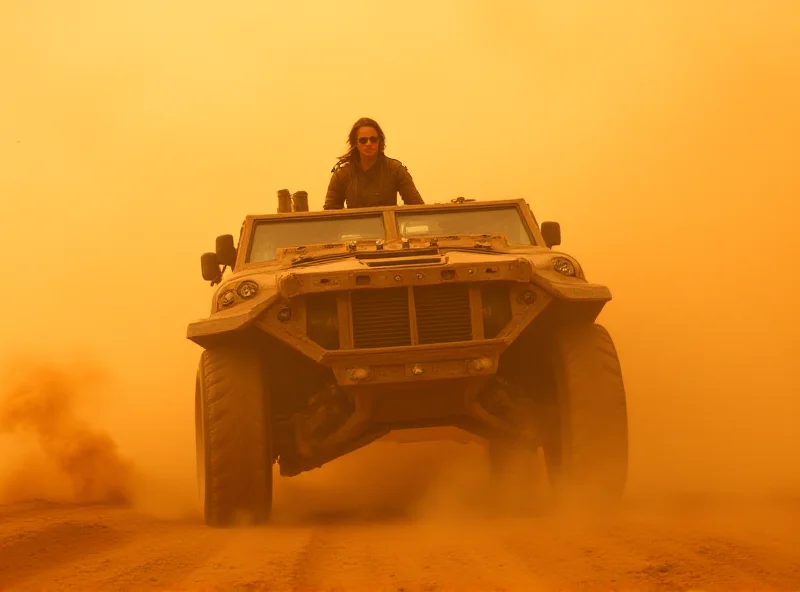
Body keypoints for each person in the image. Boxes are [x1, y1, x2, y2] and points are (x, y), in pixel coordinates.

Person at [323, 117, 424, 209]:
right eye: (363, 140)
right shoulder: (341, 174)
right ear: (355, 143)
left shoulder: (395, 169)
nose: (368, 144)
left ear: (380, 141)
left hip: (387, 228)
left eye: (373, 139)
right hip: (355, 228)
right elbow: (330, 214)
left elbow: (417, 206)